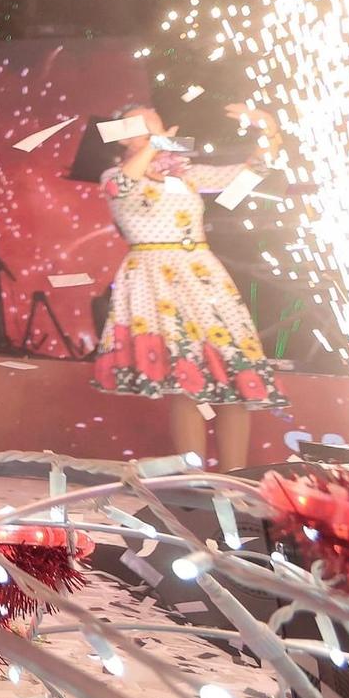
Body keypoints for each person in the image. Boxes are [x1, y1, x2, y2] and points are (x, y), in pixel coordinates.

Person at [91, 102, 287, 469]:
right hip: (156, 279)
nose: (150, 131)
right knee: (187, 384)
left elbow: (251, 173)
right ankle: (193, 479)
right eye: (139, 126)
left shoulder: (187, 175)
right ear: (121, 135)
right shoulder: (113, 176)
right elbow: (122, 187)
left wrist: (270, 128)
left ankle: (236, 480)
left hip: (203, 276)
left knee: (235, 376)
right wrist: (155, 142)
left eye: (155, 124)